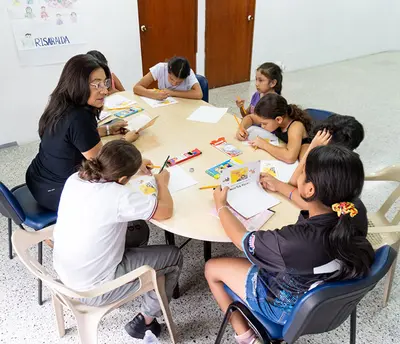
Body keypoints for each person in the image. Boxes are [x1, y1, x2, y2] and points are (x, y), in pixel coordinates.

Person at [205, 145, 374, 344]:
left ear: (310, 188)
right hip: (324, 297)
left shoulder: (293, 242)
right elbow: (315, 203)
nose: (299, 174)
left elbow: (240, 238)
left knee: (211, 268)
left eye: (303, 172)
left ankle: (246, 337)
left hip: (283, 306)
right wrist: (279, 186)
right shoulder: (353, 211)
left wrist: (221, 205)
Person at [53, 140, 183, 339]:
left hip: (67, 273)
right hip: (95, 289)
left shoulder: (75, 178)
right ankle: (146, 319)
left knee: (139, 230)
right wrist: (161, 183)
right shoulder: (118, 196)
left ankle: (139, 282)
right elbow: (165, 211)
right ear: (122, 179)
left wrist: (135, 166)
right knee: (173, 255)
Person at [26, 54, 139, 212]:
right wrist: (126, 141)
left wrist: (107, 130)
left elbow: (70, 137)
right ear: (78, 84)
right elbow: (104, 165)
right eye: (96, 84)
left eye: (105, 83)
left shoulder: (60, 103)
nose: (105, 91)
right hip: (56, 192)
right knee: (121, 186)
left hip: (37, 177)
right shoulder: (79, 118)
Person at [262, 114, 365, 209]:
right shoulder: (332, 159)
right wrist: (312, 148)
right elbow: (295, 183)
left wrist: (279, 186)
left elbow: (309, 202)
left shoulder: (335, 171)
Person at [236, 93, 311, 163]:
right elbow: (250, 117)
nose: (262, 126)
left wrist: (264, 145)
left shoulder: (295, 127)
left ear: (278, 119)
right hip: (281, 149)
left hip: (303, 153)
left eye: (264, 124)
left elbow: (290, 157)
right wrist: (242, 127)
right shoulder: (274, 119)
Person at [133, 56, 203, 100]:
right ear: (168, 71)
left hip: (182, 106)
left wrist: (172, 93)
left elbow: (199, 94)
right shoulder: (160, 68)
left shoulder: (189, 72)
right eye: (171, 79)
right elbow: (137, 88)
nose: (174, 84)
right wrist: (153, 95)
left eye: (179, 82)